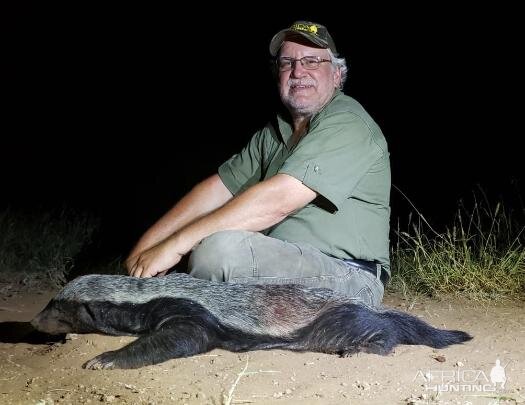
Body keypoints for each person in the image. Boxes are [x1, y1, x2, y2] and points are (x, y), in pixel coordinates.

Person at [126, 20, 391, 307]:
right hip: (284, 266)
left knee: (219, 251)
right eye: (287, 62)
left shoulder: (347, 121)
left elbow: (278, 200)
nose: (298, 71)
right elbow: (215, 191)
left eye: (312, 61)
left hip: (350, 278)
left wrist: (176, 246)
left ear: (338, 75)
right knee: (206, 248)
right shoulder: (274, 132)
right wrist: (145, 250)